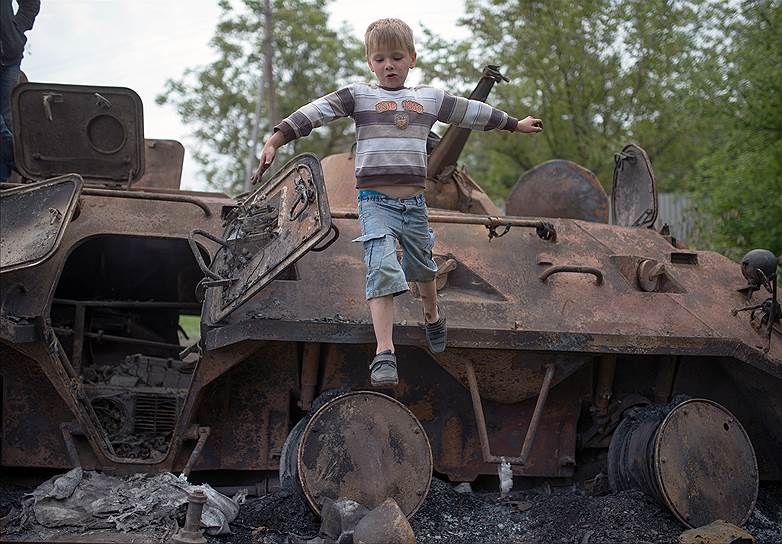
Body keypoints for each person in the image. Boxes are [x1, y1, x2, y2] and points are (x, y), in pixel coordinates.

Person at [251, 18, 542, 386]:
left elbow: (471, 112)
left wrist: (514, 124)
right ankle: (384, 351)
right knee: (382, 266)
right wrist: (277, 138)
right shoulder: (359, 97)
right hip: (374, 203)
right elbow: (316, 111)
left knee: (423, 268)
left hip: (414, 205)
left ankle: (433, 315)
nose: (389, 65)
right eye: (380, 58)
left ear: (412, 59)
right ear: (370, 63)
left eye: (397, 57)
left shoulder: (429, 100)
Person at [1, 0, 40, 182]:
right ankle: (30, 168)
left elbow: (30, 2)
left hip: (9, 57)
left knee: (9, 121)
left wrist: (16, 29)